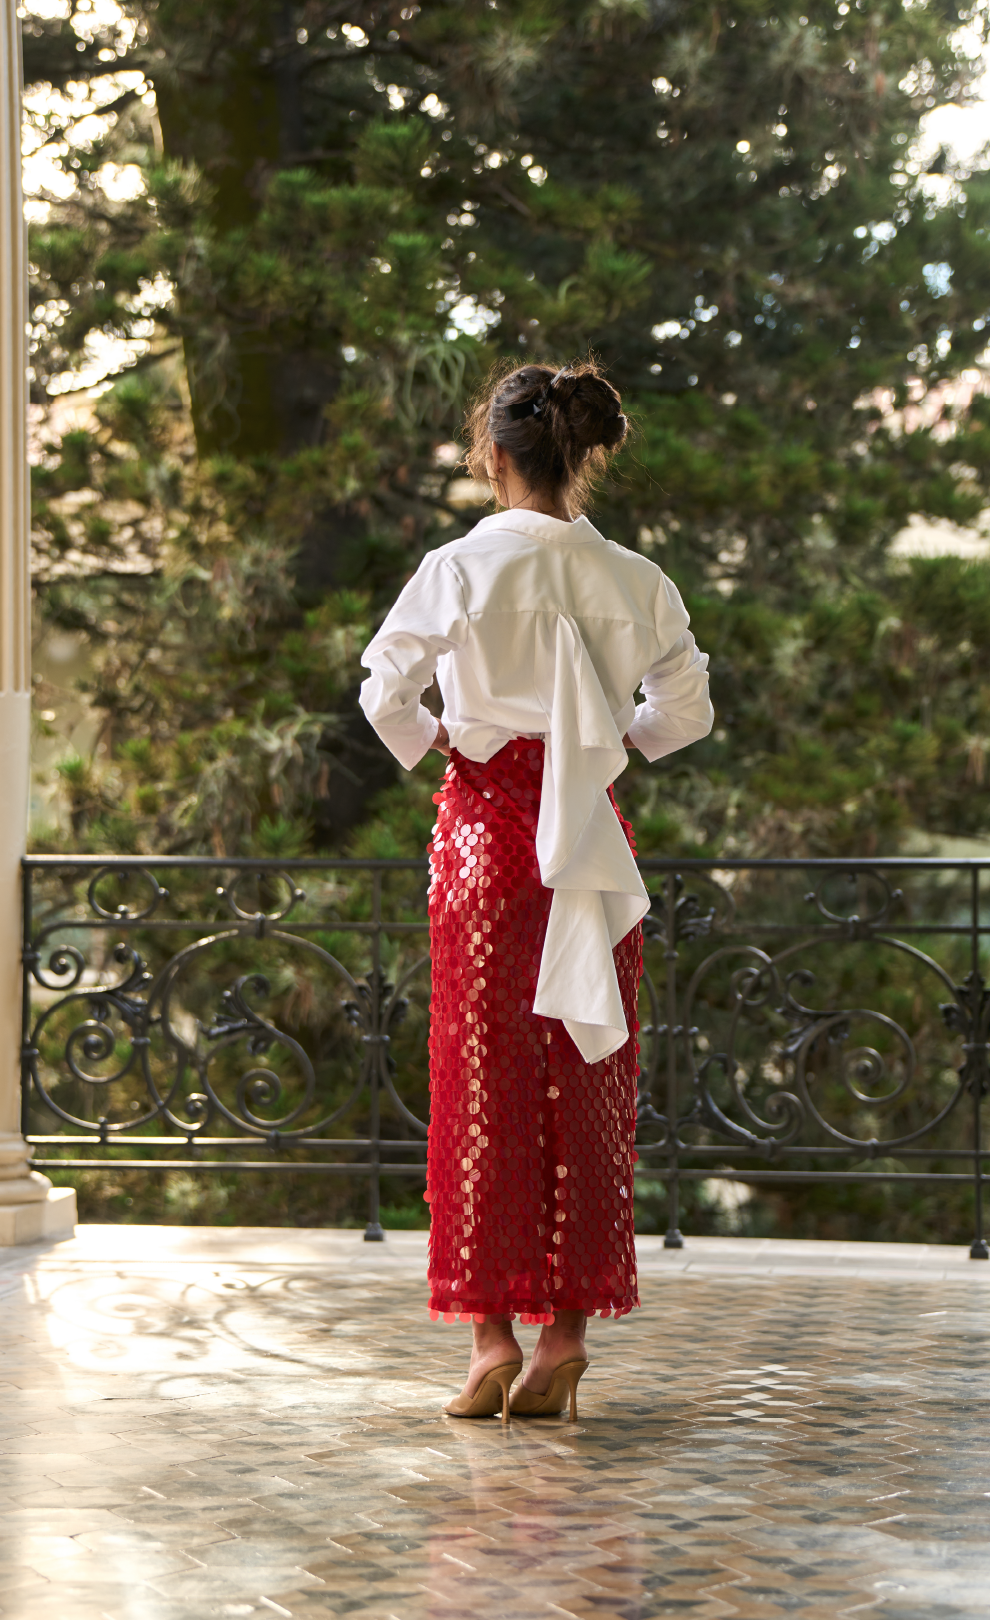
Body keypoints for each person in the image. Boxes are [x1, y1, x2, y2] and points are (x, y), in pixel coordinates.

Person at [359, 361, 714, 1422]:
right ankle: (565, 1340)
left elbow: (385, 691)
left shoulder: (459, 566)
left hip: (485, 843)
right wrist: (606, 744)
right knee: (585, 1079)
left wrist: (440, 741)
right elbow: (685, 712)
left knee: (484, 1087)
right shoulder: (637, 578)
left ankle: (488, 1345)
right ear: (581, 455)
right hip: (590, 846)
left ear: (494, 456)